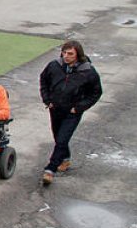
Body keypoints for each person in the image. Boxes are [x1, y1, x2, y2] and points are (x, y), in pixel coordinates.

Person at [39, 40, 102, 185]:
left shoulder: (88, 72)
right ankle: (65, 159)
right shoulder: (54, 66)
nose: (66, 56)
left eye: (70, 54)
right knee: (58, 136)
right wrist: (47, 99)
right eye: (64, 52)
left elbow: (96, 92)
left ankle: (50, 169)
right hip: (55, 108)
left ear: (78, 55)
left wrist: (79, 107)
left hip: (72, 112)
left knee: (62, 139)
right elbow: (44, 80)